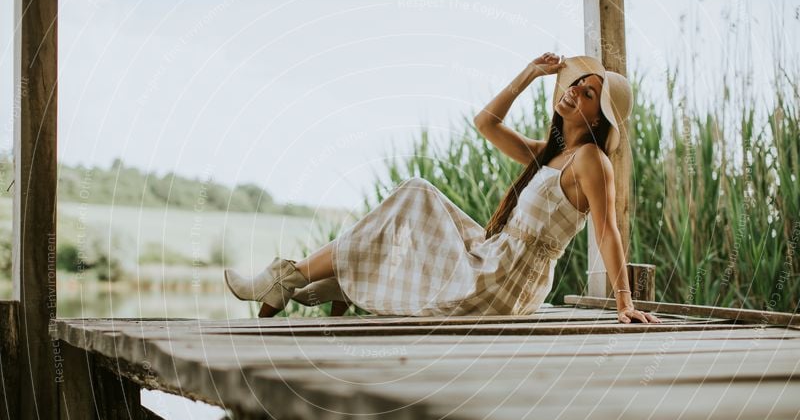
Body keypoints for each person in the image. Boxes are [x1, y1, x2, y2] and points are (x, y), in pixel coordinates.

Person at [224, 53, 661, 324]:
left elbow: (606, 230)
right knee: (417, 196)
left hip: (506, 280)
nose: (574, 93)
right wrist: (528, 74)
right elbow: (486, 124)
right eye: (576, 85)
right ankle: (319, 277)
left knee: (416, 193)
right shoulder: (550, 154)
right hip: (496, 258)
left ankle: (292, 278)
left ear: (599, 118)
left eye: (588, 95)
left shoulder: (591, 161)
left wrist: (623, 301)